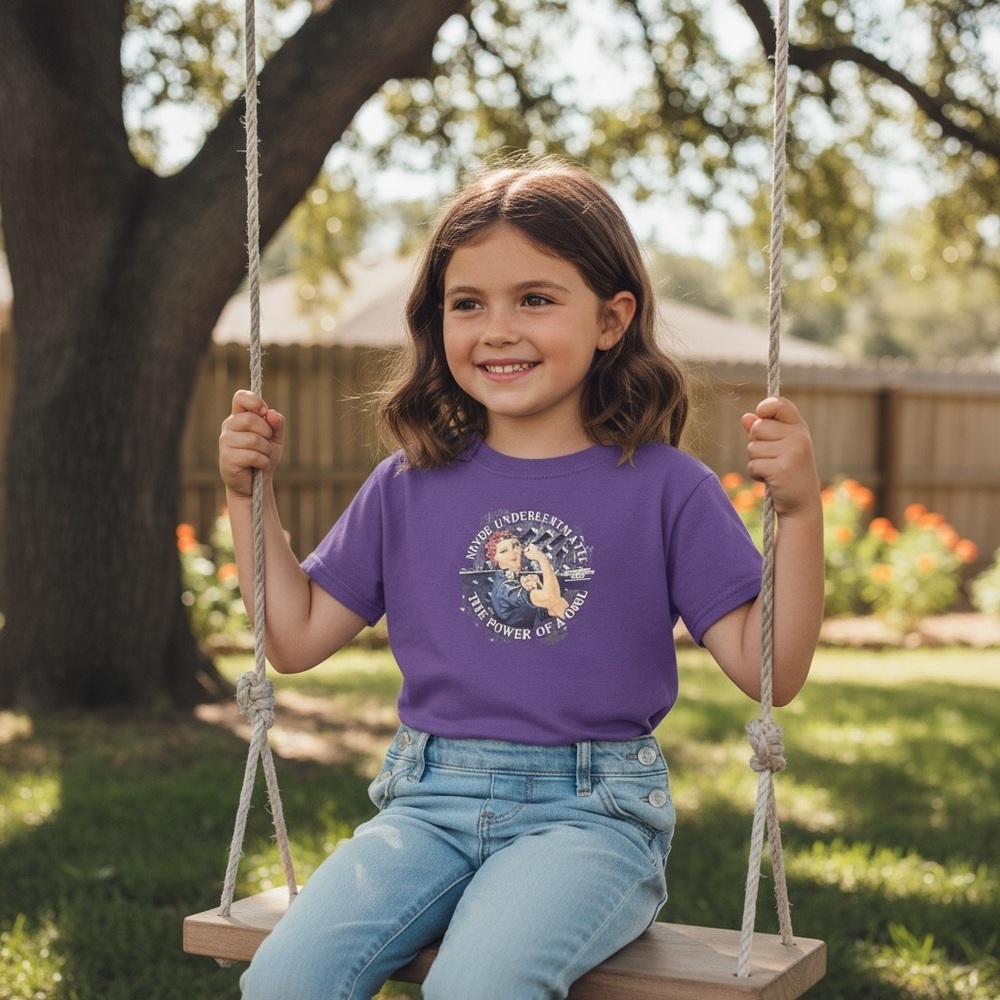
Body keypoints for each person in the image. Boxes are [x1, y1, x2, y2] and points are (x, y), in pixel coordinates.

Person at [220, 157, 824, 1000]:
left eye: (535, 299)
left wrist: (797, 515)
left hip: (593, 817)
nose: (497, 329)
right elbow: (292, 636)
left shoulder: (665, 487)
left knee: (479, 986)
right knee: (284, 981)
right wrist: (251, 501)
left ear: (613, 319)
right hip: (425, 804)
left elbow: (773, 670)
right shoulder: (408, 484)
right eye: (468, 304)